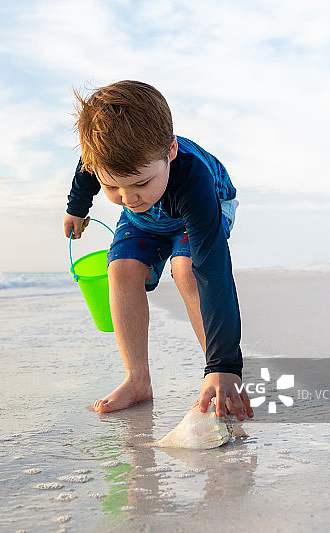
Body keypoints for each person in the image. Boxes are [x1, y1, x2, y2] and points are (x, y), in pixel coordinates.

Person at [64, 80, 253, 421]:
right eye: (112, 186)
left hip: (205, 206)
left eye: (139, 183)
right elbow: (86, 171)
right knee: (120, 270)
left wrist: (227, 365)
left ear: (171, 151)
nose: (128, 197)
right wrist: (76, 208)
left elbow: (213, 270)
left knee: (187, 269)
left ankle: (217, 373)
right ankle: (137, 380)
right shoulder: (109, 165)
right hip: (149, 220)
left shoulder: (193, 180)